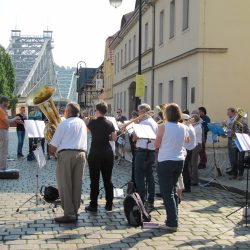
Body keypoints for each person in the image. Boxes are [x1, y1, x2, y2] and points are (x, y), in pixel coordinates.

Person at [49, 102, 87, 223]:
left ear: (68, 112)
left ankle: (69, 214)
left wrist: (51, 148)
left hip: (66, 155)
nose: (64, 112)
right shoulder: (82, 123)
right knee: (77, 184)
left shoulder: (64, 124)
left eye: (65, 110)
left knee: (65, 184)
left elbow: (52, 147)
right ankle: (74, 211)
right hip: (81, 154)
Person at [155, 103, 189, 232]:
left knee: (167, 193)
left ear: (166, 114)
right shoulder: (183, 127)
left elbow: (156, 145)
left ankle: (172, 222)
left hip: (166, 160)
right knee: (173, 190)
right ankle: (173, 218)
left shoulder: (163, 127)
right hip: (179, 160)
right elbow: (186, 141)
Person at [85, 101, 117, 212]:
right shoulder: (110, 123)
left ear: (97, 111)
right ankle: (109, 204)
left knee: (94, 180)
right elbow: (114, 138)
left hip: (95, 153)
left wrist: (86, 122)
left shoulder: (92, 122)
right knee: (108, 180)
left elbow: (86, 132)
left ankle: (93, 205)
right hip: (107, 153)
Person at [133, 103, 158, 212]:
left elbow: (134, 138)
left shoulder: (142, 123)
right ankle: (151, 200)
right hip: (151, 152)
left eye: (139, 112)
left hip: (142, 152)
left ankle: (141, 200)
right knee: (150, 176)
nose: (138, 114)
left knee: (139, 177)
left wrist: (134, 125)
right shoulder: (154, 122)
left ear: (142, 112)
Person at [0, 96, 21, 170]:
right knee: (4, 150)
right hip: (2, 131)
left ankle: (2, 166)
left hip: (3, 130)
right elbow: (7, 121)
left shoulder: (3, 110)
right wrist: (16, 118)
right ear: (3, 102)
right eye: (7, 102)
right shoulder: (1, 110)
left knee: (3, 149)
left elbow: (7, 120)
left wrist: (15, 120)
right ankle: (2, 167)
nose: (8, 104)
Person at [229, 108, 249, 180]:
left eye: (239, 115)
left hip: (241, 143)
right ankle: (234, 173)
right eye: (238, 114)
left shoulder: (244, 123)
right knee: (234, 159)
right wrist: (231, 132)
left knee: (241, 159)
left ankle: (240, 174)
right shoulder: (233, 122)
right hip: (234, 141)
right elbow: (230, 131)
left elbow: (247, 133)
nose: (238, 116)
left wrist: (243, 133)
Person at [182, 114, 196, 193]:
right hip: (189, 149)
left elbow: (184, 140)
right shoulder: (190, 126)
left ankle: (186, 187)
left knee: (184, 170)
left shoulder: (187, 128)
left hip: (187, 150)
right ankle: (186, 186)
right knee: (185, 169)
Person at [221, 108, 236, 175]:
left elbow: (229, 130)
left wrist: (224, 125)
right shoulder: (231, 119)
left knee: (233, 155)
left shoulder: (234, 120)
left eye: (228, 112)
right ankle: (232, 168)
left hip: (233, 139)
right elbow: (228, 130)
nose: (227, 114)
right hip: (230, 138)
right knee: (230, 154)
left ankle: (234, 170)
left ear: (233, 112)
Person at [190, 114, 203, 185]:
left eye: (191, 119)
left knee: (194, 163)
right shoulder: (194, 126)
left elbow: (190, 135)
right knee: (192, 163)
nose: (189, 120)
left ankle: (195, 180)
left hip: (196, 145)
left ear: (194, 120)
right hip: (194, 145)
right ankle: (192, 178)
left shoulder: (197, 127)